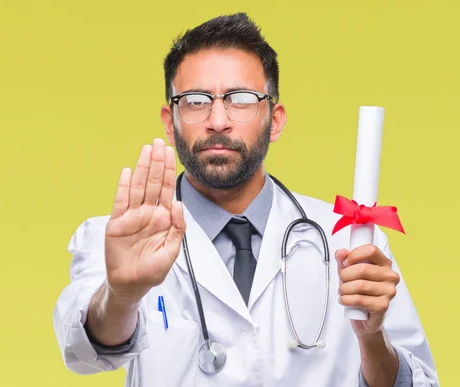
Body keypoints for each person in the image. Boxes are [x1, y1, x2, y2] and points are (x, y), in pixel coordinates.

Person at [53, 12, 439, 386]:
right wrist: (122, 295)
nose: (218, 120)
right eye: (195, 100)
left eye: (240, 99)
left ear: (276, 120)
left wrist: (371, 337)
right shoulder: (118, 238)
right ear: (171, 122)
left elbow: (417, 382)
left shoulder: (350, 241)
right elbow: (82, 351)